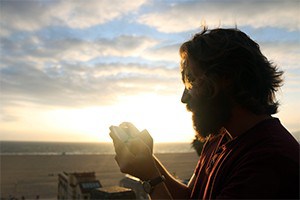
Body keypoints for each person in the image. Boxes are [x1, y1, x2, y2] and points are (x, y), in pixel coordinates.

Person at [110, 27, 299, 199]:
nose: (184, 98)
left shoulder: (268, 158)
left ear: (226, 78)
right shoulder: (220, 137)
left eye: (191, 80)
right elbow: (190, 197)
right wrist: (149, 161)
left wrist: (151, 178)